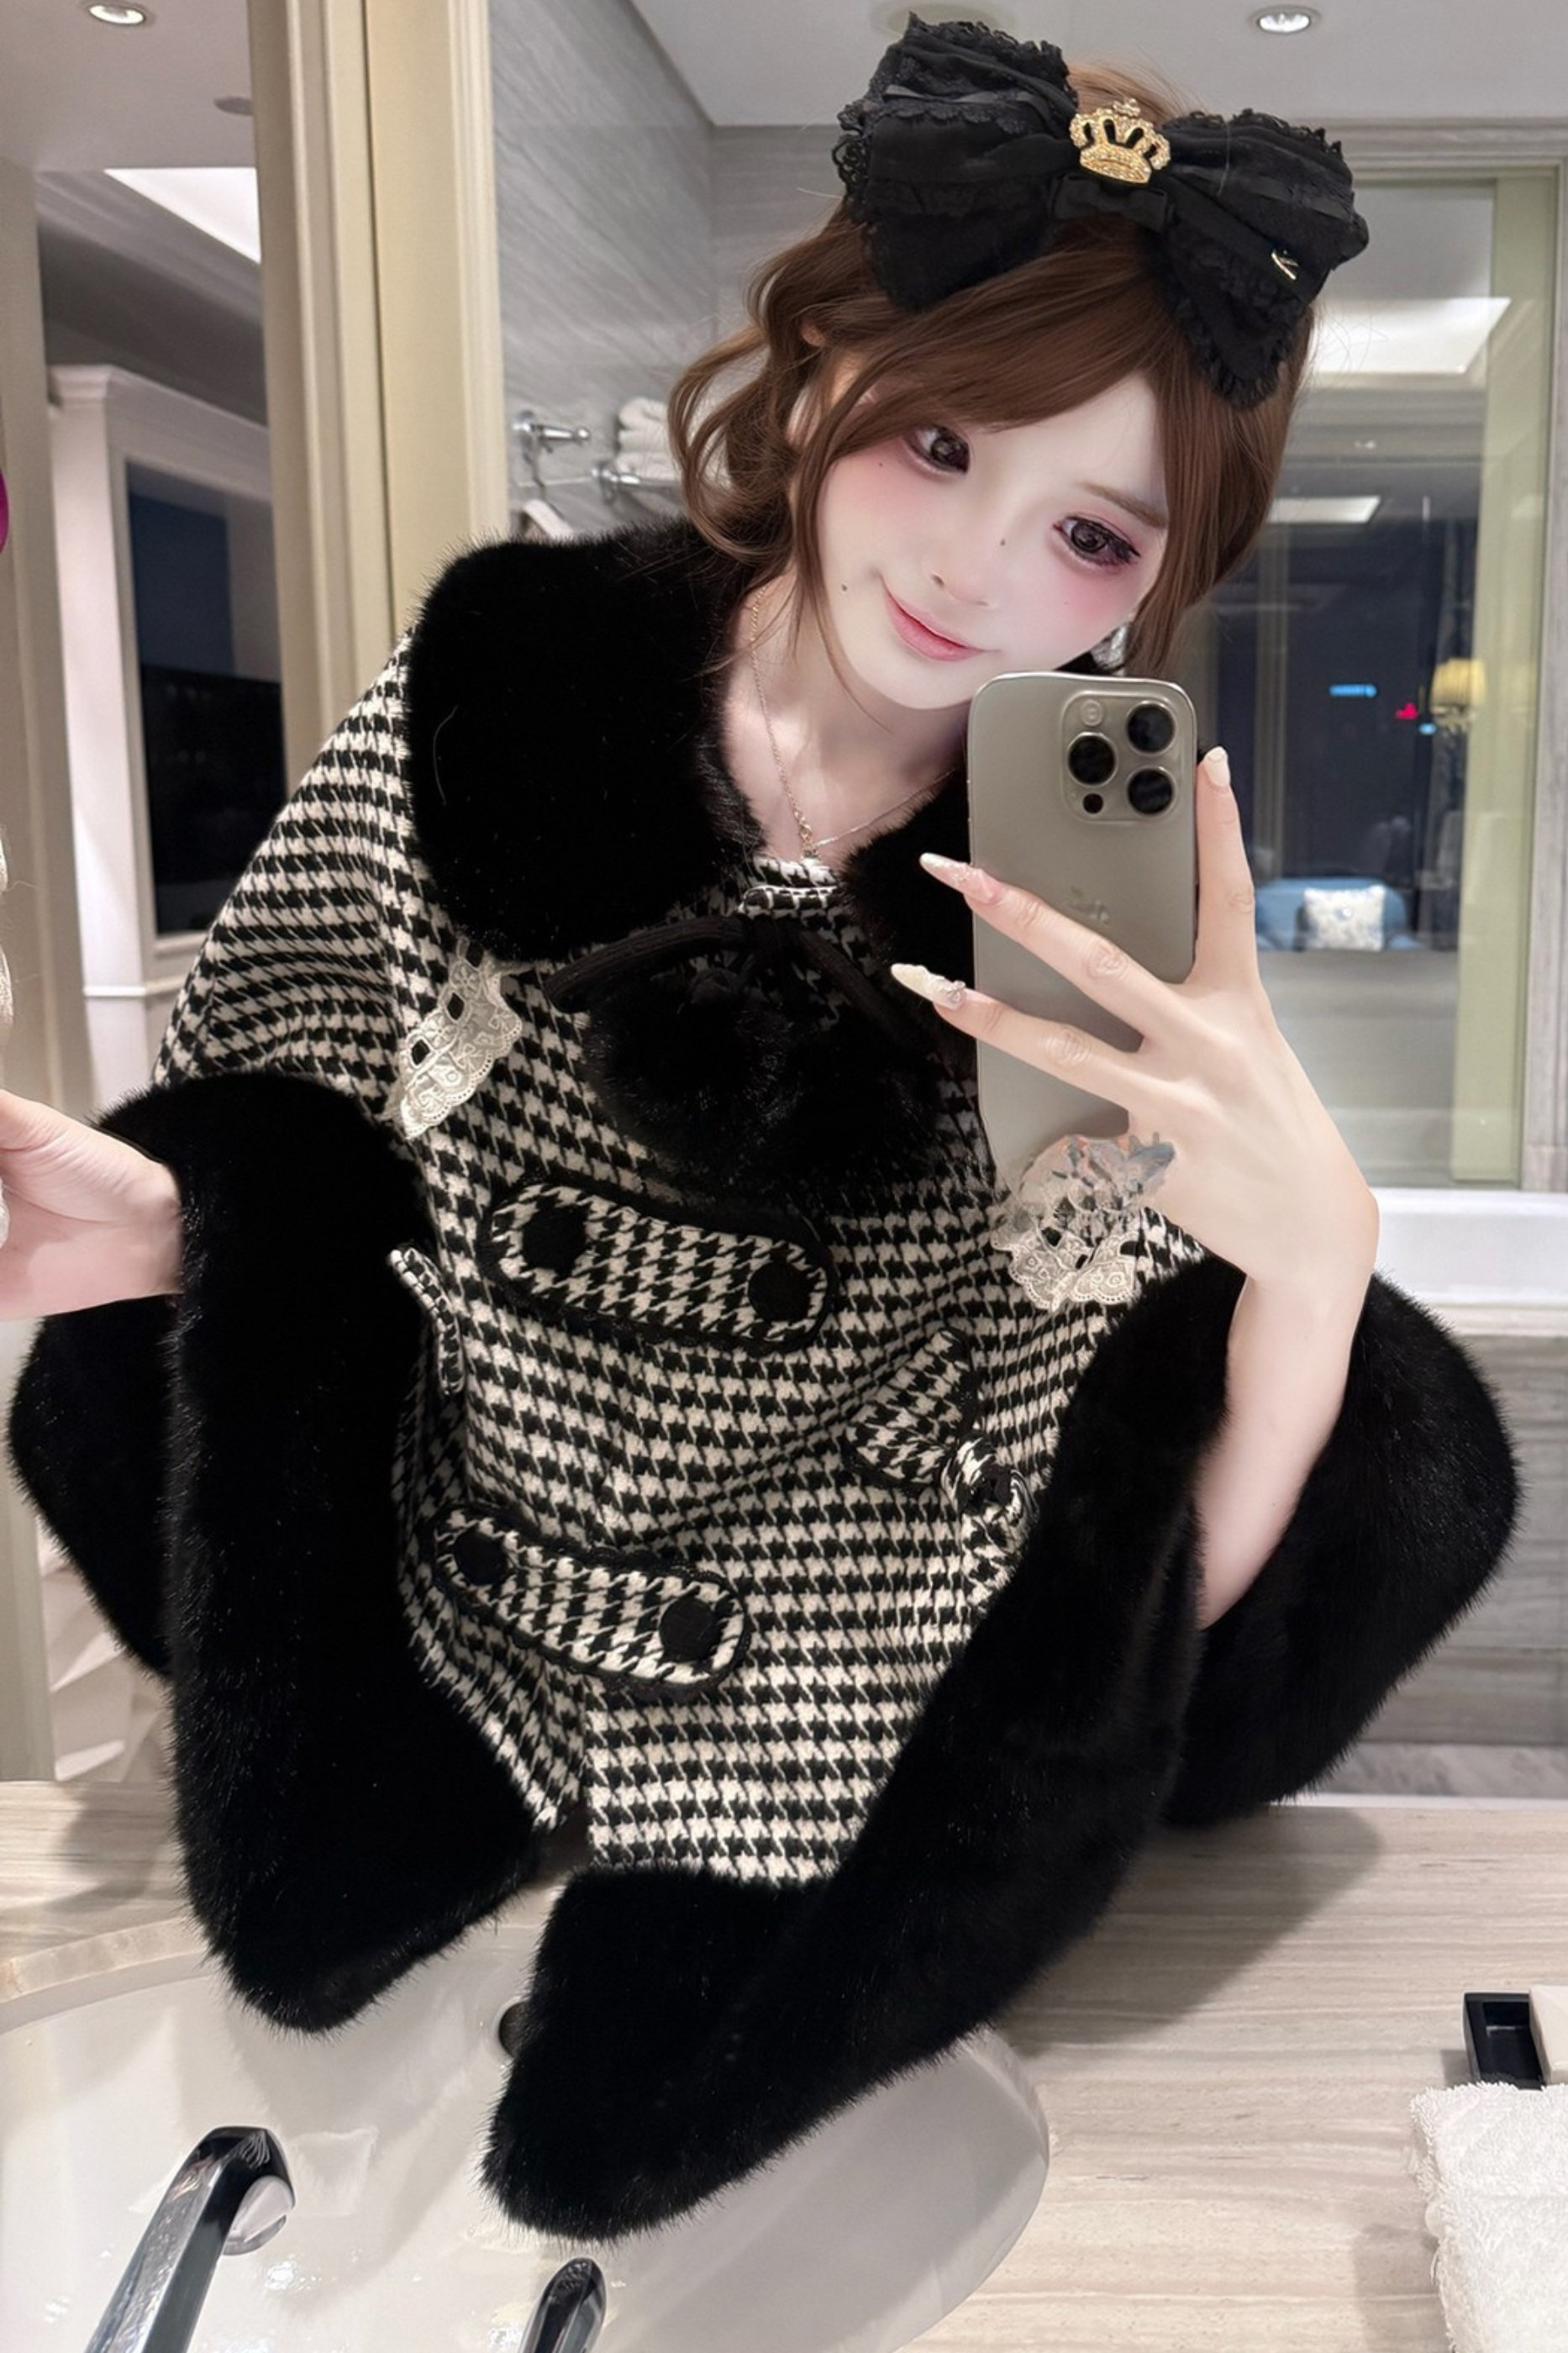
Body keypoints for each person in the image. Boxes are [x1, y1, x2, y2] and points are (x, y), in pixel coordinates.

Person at [0, 15, 1518, 2239]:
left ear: (1152, 577)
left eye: (1089, 529)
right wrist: (172, 1225)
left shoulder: (1085, 881)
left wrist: (1309, 1260)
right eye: (939, 441)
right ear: (819, 375)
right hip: (451, 1622)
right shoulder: (502, 698)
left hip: (841, 1743)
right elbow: (292, 1107)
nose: (979, 571)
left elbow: (1095, 1524)